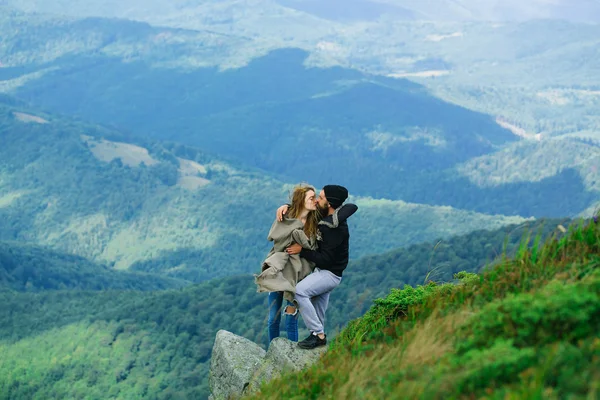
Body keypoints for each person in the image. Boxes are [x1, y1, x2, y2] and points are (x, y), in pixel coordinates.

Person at [278, 184, 358, 349]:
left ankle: (319, 335)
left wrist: (302, 251)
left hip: (329, 274)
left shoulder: (334, 229)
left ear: (329, 203)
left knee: (299, 291)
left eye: (321, 198)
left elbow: (325, 260)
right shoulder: (331, 215)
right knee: (318, 309)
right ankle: (318, 341)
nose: (317, 200)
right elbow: (349, 206)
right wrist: (287, 207)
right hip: (328, 272)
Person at [255, 184, 320, 344]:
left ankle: (292, 354)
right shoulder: (286, 216)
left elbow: (316, 247)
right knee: (273, 318)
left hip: (297, 275)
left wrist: (301, 247)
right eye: (311, 198)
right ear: (301, 201)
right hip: (278, 271)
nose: (315, 200)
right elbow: (276, 239)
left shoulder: (315, 223)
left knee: (291, 317)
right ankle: (273, 353)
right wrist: (287, 207)